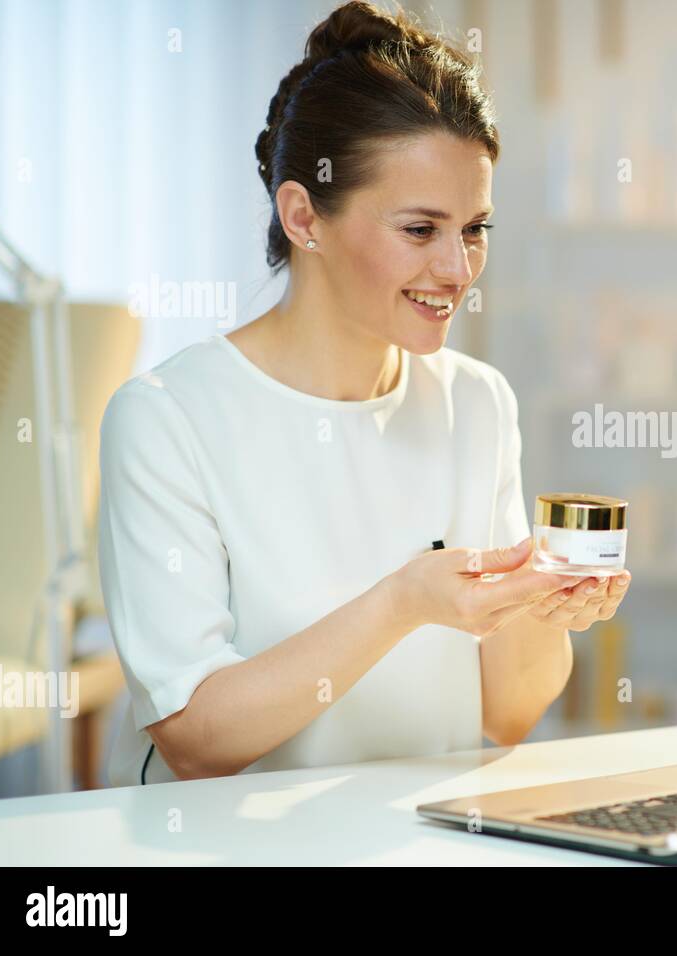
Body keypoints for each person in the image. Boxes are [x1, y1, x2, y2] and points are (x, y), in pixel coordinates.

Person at [99, 1, 630, 786]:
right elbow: (196, 739)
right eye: (420, 230)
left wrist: (539, 607)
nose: (458, 269)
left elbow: (505, 714)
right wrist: (401, 604)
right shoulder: (167, 420)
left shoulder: (476, 403)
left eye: (476, 228)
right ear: (304, 216)